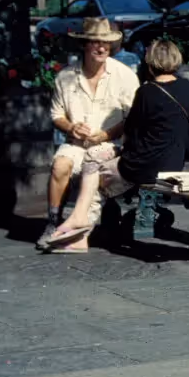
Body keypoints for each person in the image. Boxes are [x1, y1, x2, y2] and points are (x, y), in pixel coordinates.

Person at [43, 39, 189, 252]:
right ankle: (78, 222)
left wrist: (118, 152)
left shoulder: (146, 92)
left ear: (150, 63)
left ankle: (78, 234)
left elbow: (132, 133)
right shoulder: (188, 87)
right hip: (173, 160)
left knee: (97, 176)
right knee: (96, 155)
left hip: (143, 166)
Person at [39, 17, 139, 249]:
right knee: (60, 165)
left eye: (106, 43)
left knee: (95, 166)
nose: (102, 47)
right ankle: (53, 223)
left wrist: (107, 134)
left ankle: (77, 228)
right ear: (84, 45)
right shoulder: (65, 77)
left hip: (112, 144)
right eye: (95, 42)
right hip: (77, 143)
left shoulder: (124, 76)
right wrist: (71, 127)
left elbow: (134, 118)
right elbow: (56, 115)